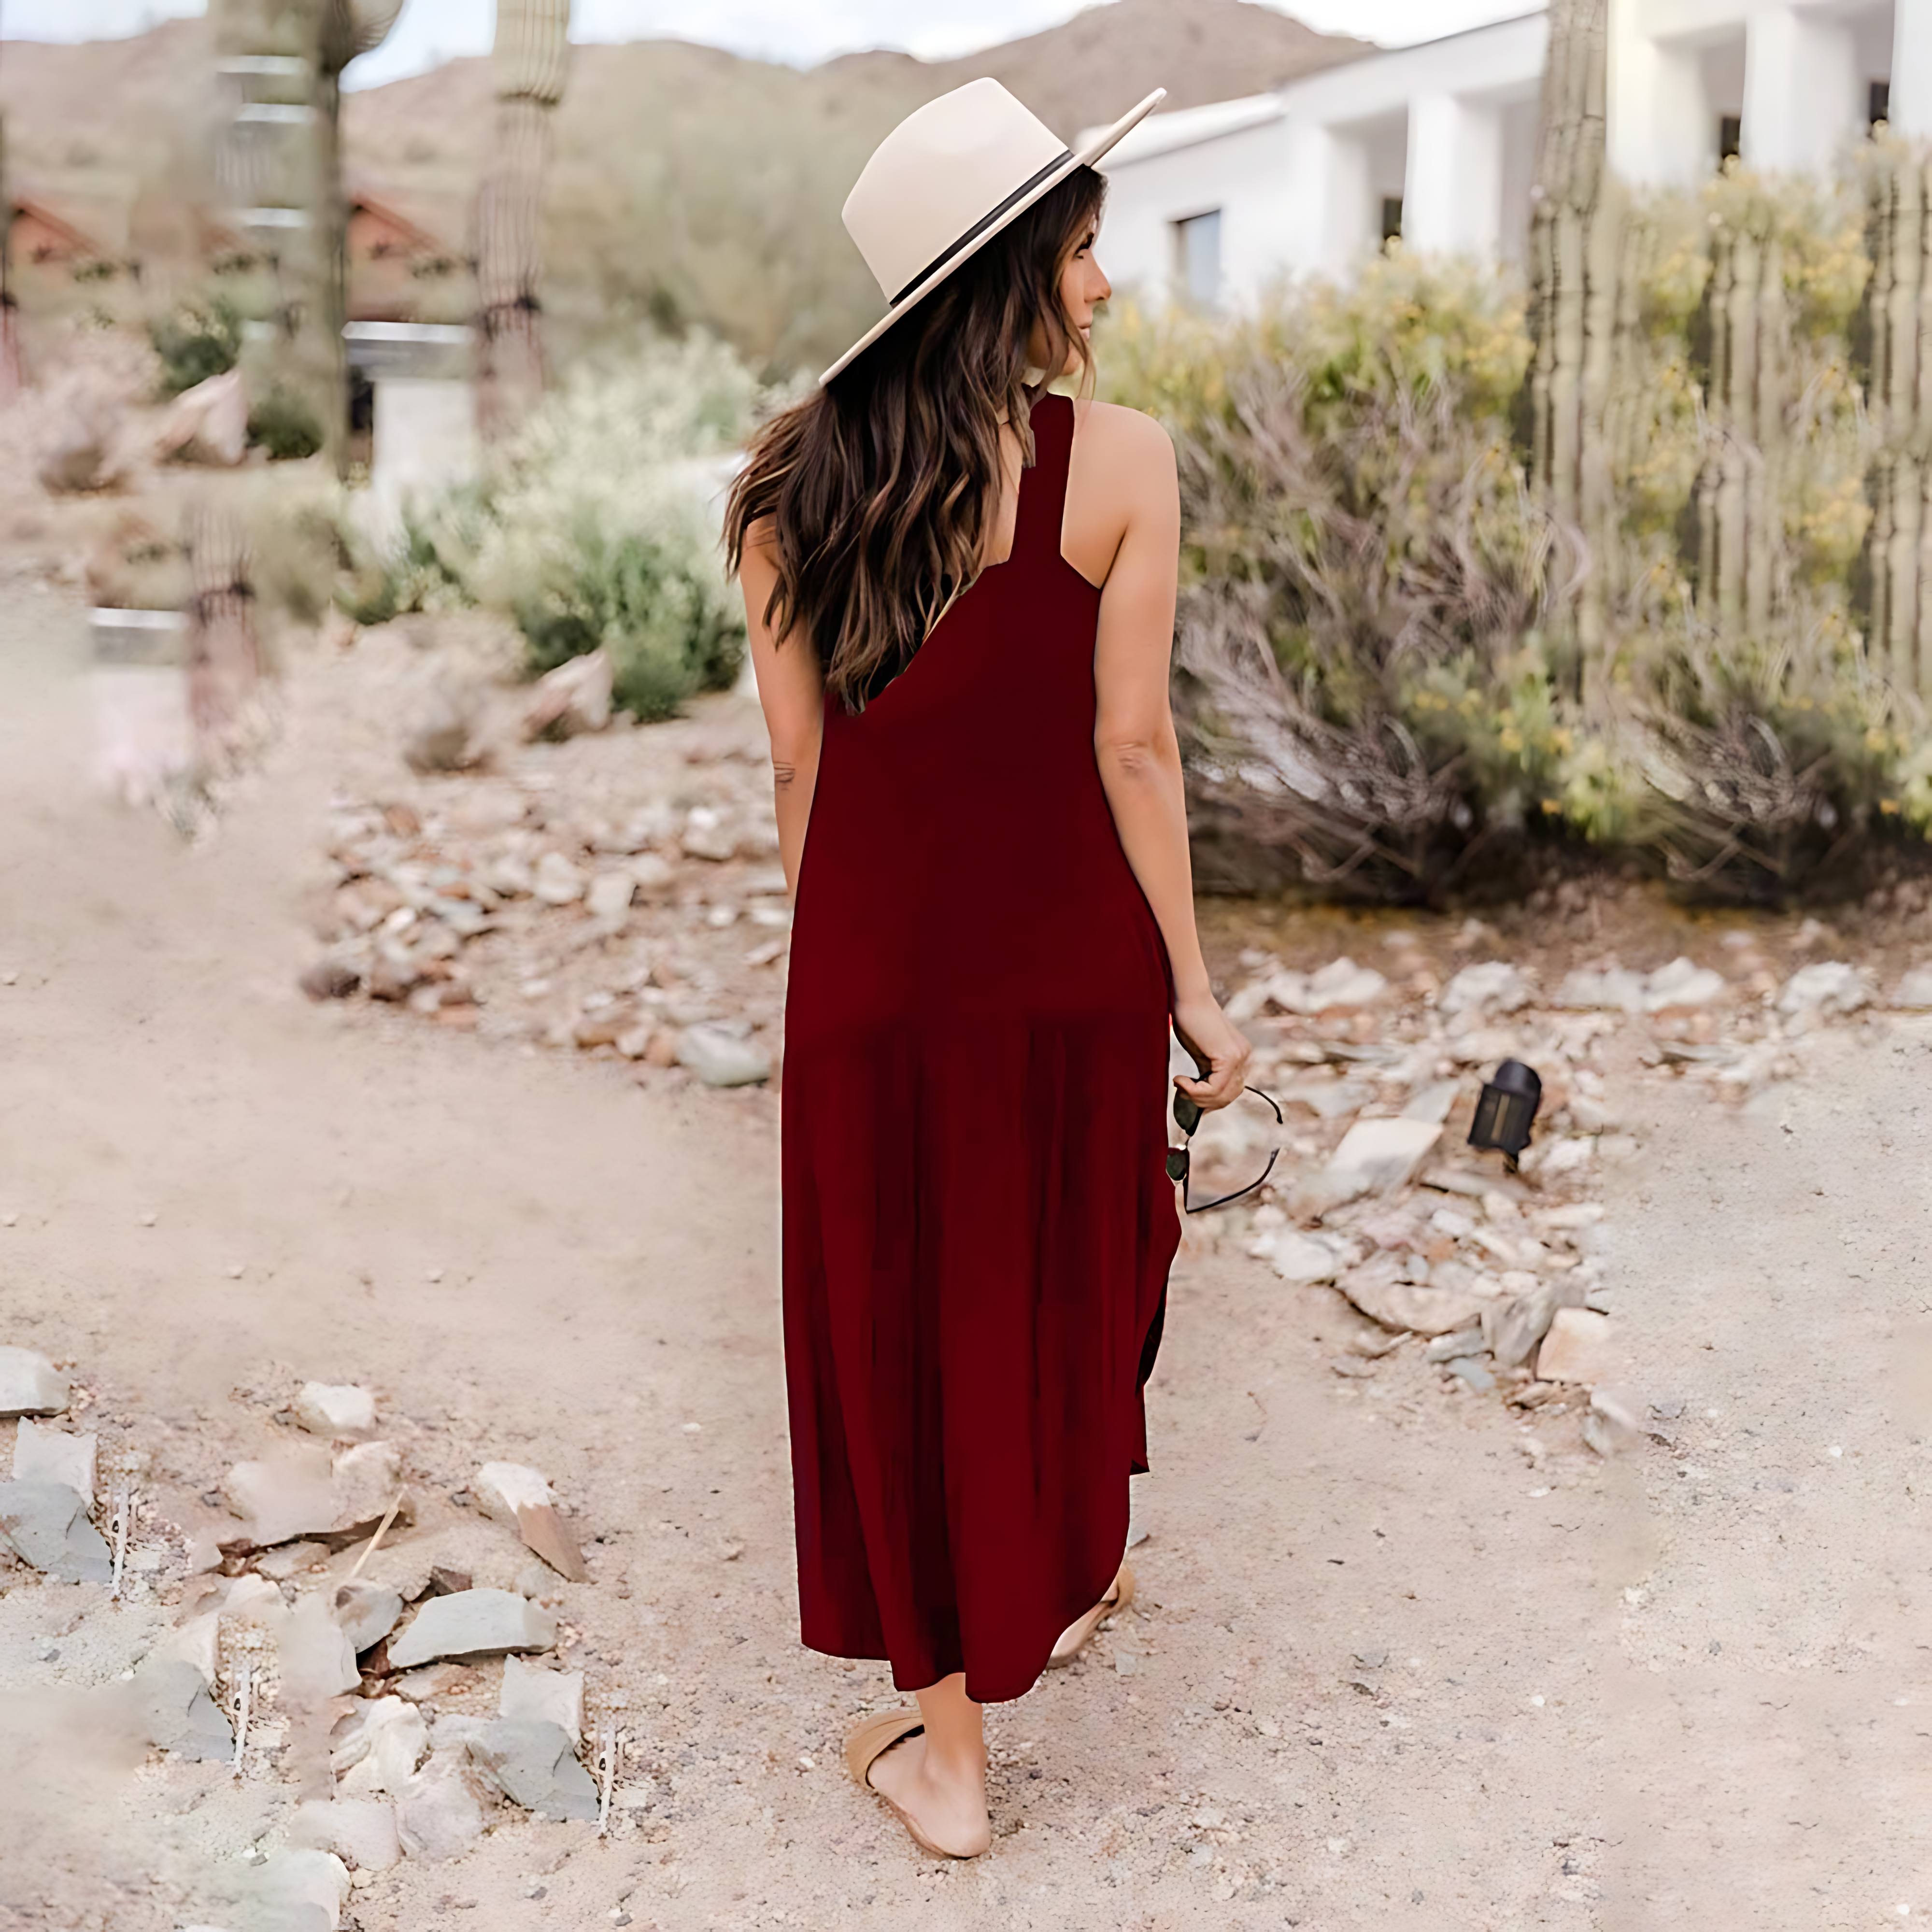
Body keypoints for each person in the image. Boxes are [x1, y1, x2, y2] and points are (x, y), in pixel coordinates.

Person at [724, 77, 1252, 1860]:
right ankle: (1038, 1581)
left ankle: (945, 1748)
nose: (1103, 284)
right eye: (1086, 250)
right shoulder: (1123, 465)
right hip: (1066, 974)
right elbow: (1134, 752)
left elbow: (801, 773)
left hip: (871, 984)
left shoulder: (787, 486)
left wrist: (860, 970)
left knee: (896, 1324)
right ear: (1012, 274)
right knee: (1056, 1288)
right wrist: (1191, 984)